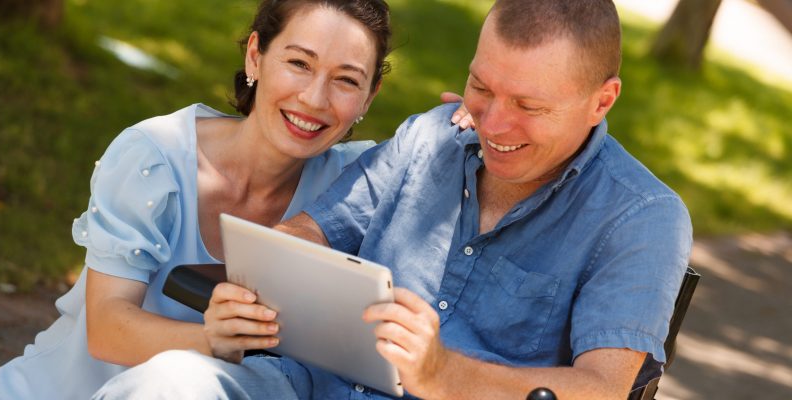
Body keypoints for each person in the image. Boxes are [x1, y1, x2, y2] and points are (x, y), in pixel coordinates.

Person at [92, 0, 693, 399]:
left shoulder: (639, 217)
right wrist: (263, 270)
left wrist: (442, 373)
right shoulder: (436, 135)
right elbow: (311, 232)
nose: (494, 124)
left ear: (602, 100)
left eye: (529, 106)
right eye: (482, 87)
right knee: (167, 383)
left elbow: (605, 389)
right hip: (302, 385)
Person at [0, 0, 460, 398]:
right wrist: (211, 340)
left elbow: (430, 156)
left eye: (346, 80)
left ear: (370, 97)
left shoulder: (356, 182)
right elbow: (107, 328)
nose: (315, 99)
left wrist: (475, 123)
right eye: (299, 63)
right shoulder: (156, 157)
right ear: (255, 56)